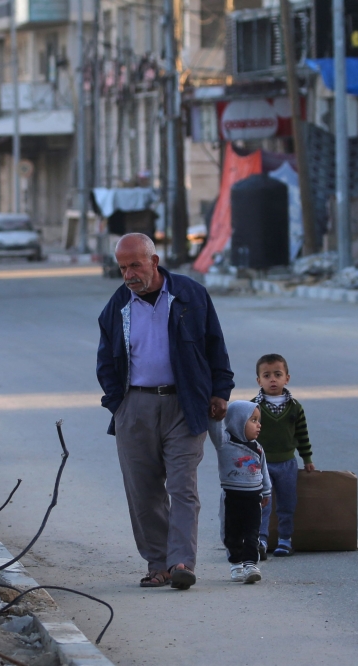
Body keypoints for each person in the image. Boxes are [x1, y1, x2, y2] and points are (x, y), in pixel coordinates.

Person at [97, 233, 234, 590]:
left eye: (135, 266)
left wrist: (220, 392)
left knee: (182, 486)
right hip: (135, 406)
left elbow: (215, 347)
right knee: (143, 491)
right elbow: (105, 360)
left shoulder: (190, 295)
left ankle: (181, 562)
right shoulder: (117, 306)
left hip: (184, 404)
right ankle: (157, 564)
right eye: (123, 268)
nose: (129, 275)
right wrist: (119, 403)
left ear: (154, 262)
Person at [252, 353, 314, 558]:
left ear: (287, 378)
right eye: (266, 375)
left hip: (287, 464)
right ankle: (260, 540)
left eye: (277, 374)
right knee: (261, 503)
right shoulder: (253, 407)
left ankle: (285, 540)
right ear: (258, 380)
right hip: (261, 464)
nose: (272, 379)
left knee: (287, 503)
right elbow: (246, 436)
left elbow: (302, 435)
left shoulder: (295, 407)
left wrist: (307, 459)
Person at [209, 400, 270, 584]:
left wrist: (266, 492)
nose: (258, 425)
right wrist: (216, 414)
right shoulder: (224, 442)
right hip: (232, 497)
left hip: (254, 498)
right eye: (253, 420)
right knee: (232, 533)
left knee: (252, 532)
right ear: (237, 421)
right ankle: (236, 564)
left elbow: (263, 470)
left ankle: (251, 564)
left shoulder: (258, 448)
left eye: (259, 420)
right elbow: (215, 428)